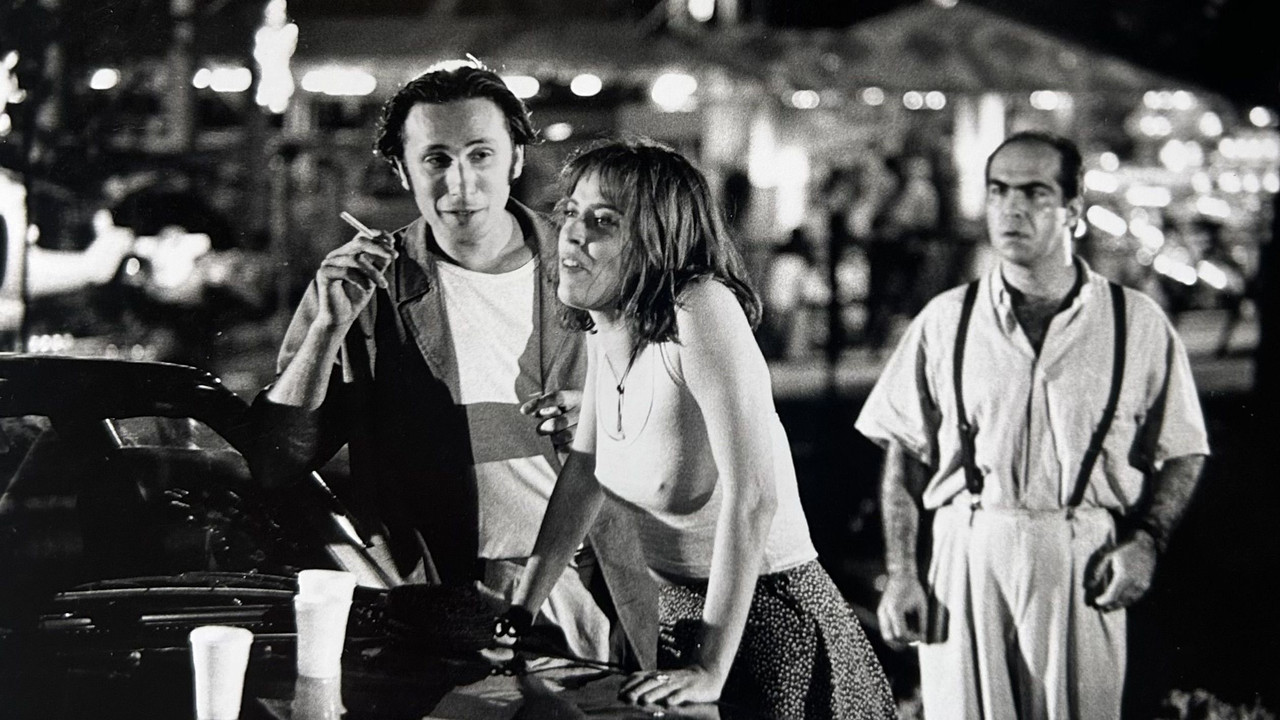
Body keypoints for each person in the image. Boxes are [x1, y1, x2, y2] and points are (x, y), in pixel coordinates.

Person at [248, 61, 653, 666]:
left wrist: (608, 422)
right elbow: (276, 462)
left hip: (588, 587)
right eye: (436, 159)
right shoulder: (366, 284)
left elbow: (676, 425)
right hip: (436, 605)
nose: (461, 184)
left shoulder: (593, 263)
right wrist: (327, 330)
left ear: (515, 159)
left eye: (480, 155)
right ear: (402, 170)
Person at [501, 139, 895, 719]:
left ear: (658, 240)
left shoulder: (701, 307)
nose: (573, 234)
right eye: (572, 212)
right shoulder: (606, 325)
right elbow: (584, 472)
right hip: (681, 621)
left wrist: (711, 668)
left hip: (769, 622)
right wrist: (521, 610)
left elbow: (754, 498)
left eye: (604, 221)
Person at [856, 130, 1210, 719]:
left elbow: (1184, 448)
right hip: (965, 550)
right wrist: (902, 573)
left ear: (1072, 210)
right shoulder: (946, 321)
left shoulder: (1135, 324)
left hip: (1081, 551)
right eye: (998, 191)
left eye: (1034, 193)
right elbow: (906, 457)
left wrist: (1148, 540)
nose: (1011, 208)